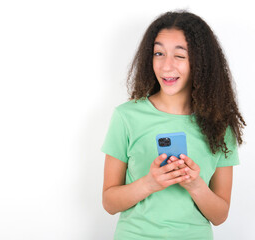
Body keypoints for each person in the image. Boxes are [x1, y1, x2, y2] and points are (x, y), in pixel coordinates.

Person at [101, 10, 246, 240]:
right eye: (159, 53)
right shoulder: (126, 117)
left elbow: (220, 216)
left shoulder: (219, 125)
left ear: (201, 63)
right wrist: (149, 183)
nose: (167, 66)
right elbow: (109, 202)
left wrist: (195, 185)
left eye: (180, 56)